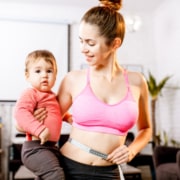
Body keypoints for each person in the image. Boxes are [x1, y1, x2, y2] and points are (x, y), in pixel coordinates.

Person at [34, 0, 152, 179]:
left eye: (90, 43)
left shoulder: (137, 82)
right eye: (81, 41)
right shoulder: (74, 79)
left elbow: (146, 129)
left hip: (110, 173)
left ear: (115, 44)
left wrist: (131, 151)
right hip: (68, 169)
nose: (83, 49)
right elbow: (49, 116)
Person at [14, 50, 65, 180]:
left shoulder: (52, 96)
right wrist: (39, 129)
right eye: (38, 71)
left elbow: (55, 113)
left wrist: (68, 117)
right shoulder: (31, 93)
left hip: (51, 147)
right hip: (35, 149)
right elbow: (21, 113)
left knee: (49, 175)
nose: (44, 76)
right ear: (27, 75)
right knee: (55, 175)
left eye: (49, 71)